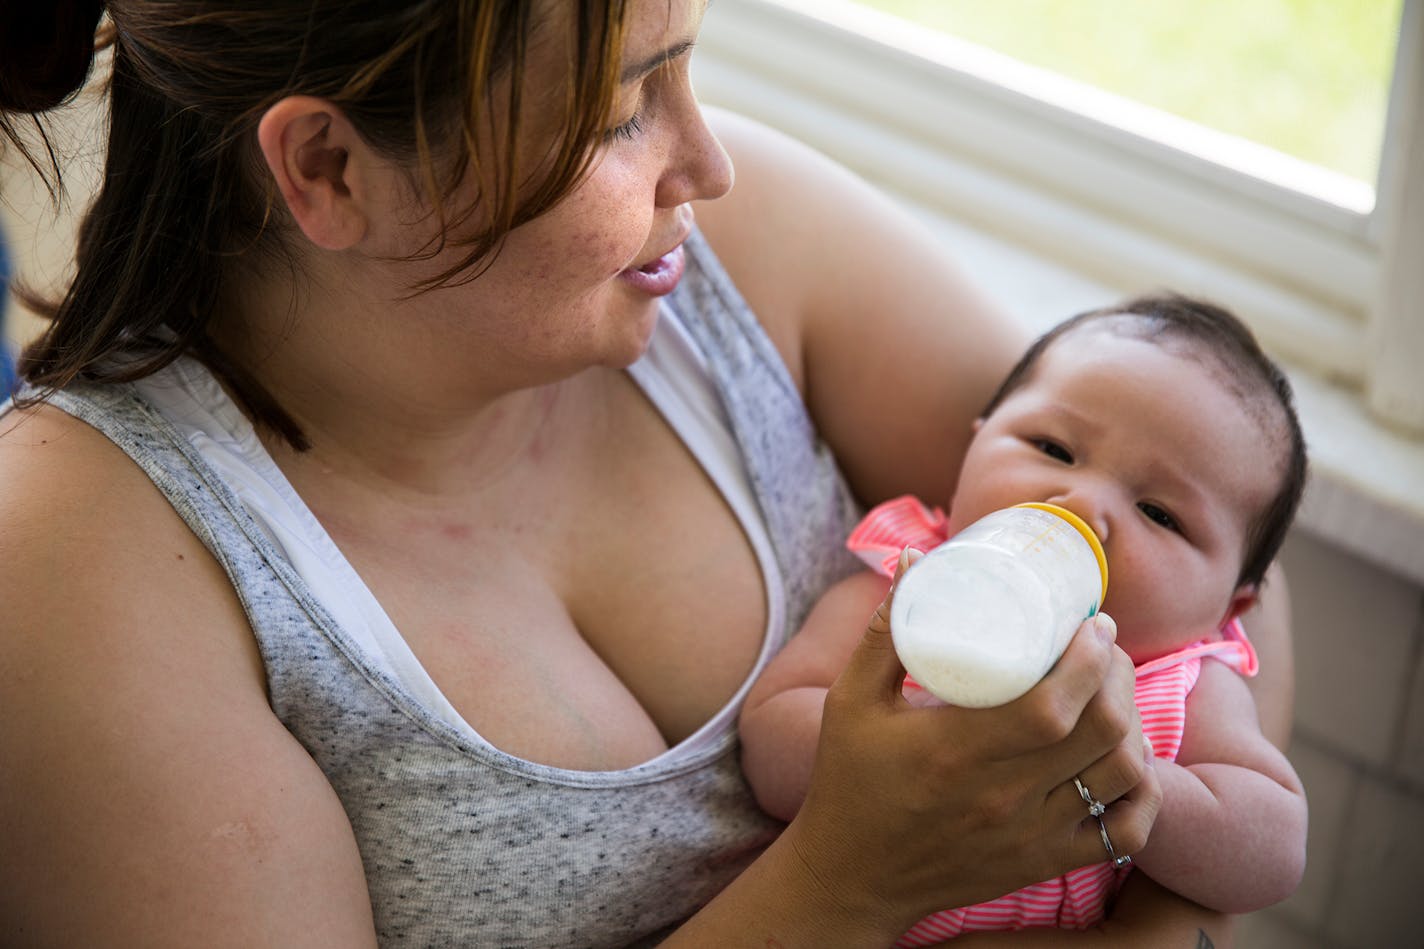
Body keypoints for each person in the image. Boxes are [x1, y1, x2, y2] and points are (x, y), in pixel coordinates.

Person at [0, 2, 1293, 945]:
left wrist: (1149, 905)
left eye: (685, 72)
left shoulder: (735, 249)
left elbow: (1213, 508)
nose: (706, 162)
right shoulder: (78, 570)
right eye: (622, 109)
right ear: (330, 170)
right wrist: (850, 878)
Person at [740, 295, 1309, 944]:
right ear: (975, 438)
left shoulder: (1183, 683)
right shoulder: (904, 590)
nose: (1082, 504)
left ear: (1228, 609)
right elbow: (766, 741)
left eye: (1159, 513)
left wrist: (1128, 779)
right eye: (1053, 448)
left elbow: (1274, 856)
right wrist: (898, 749)